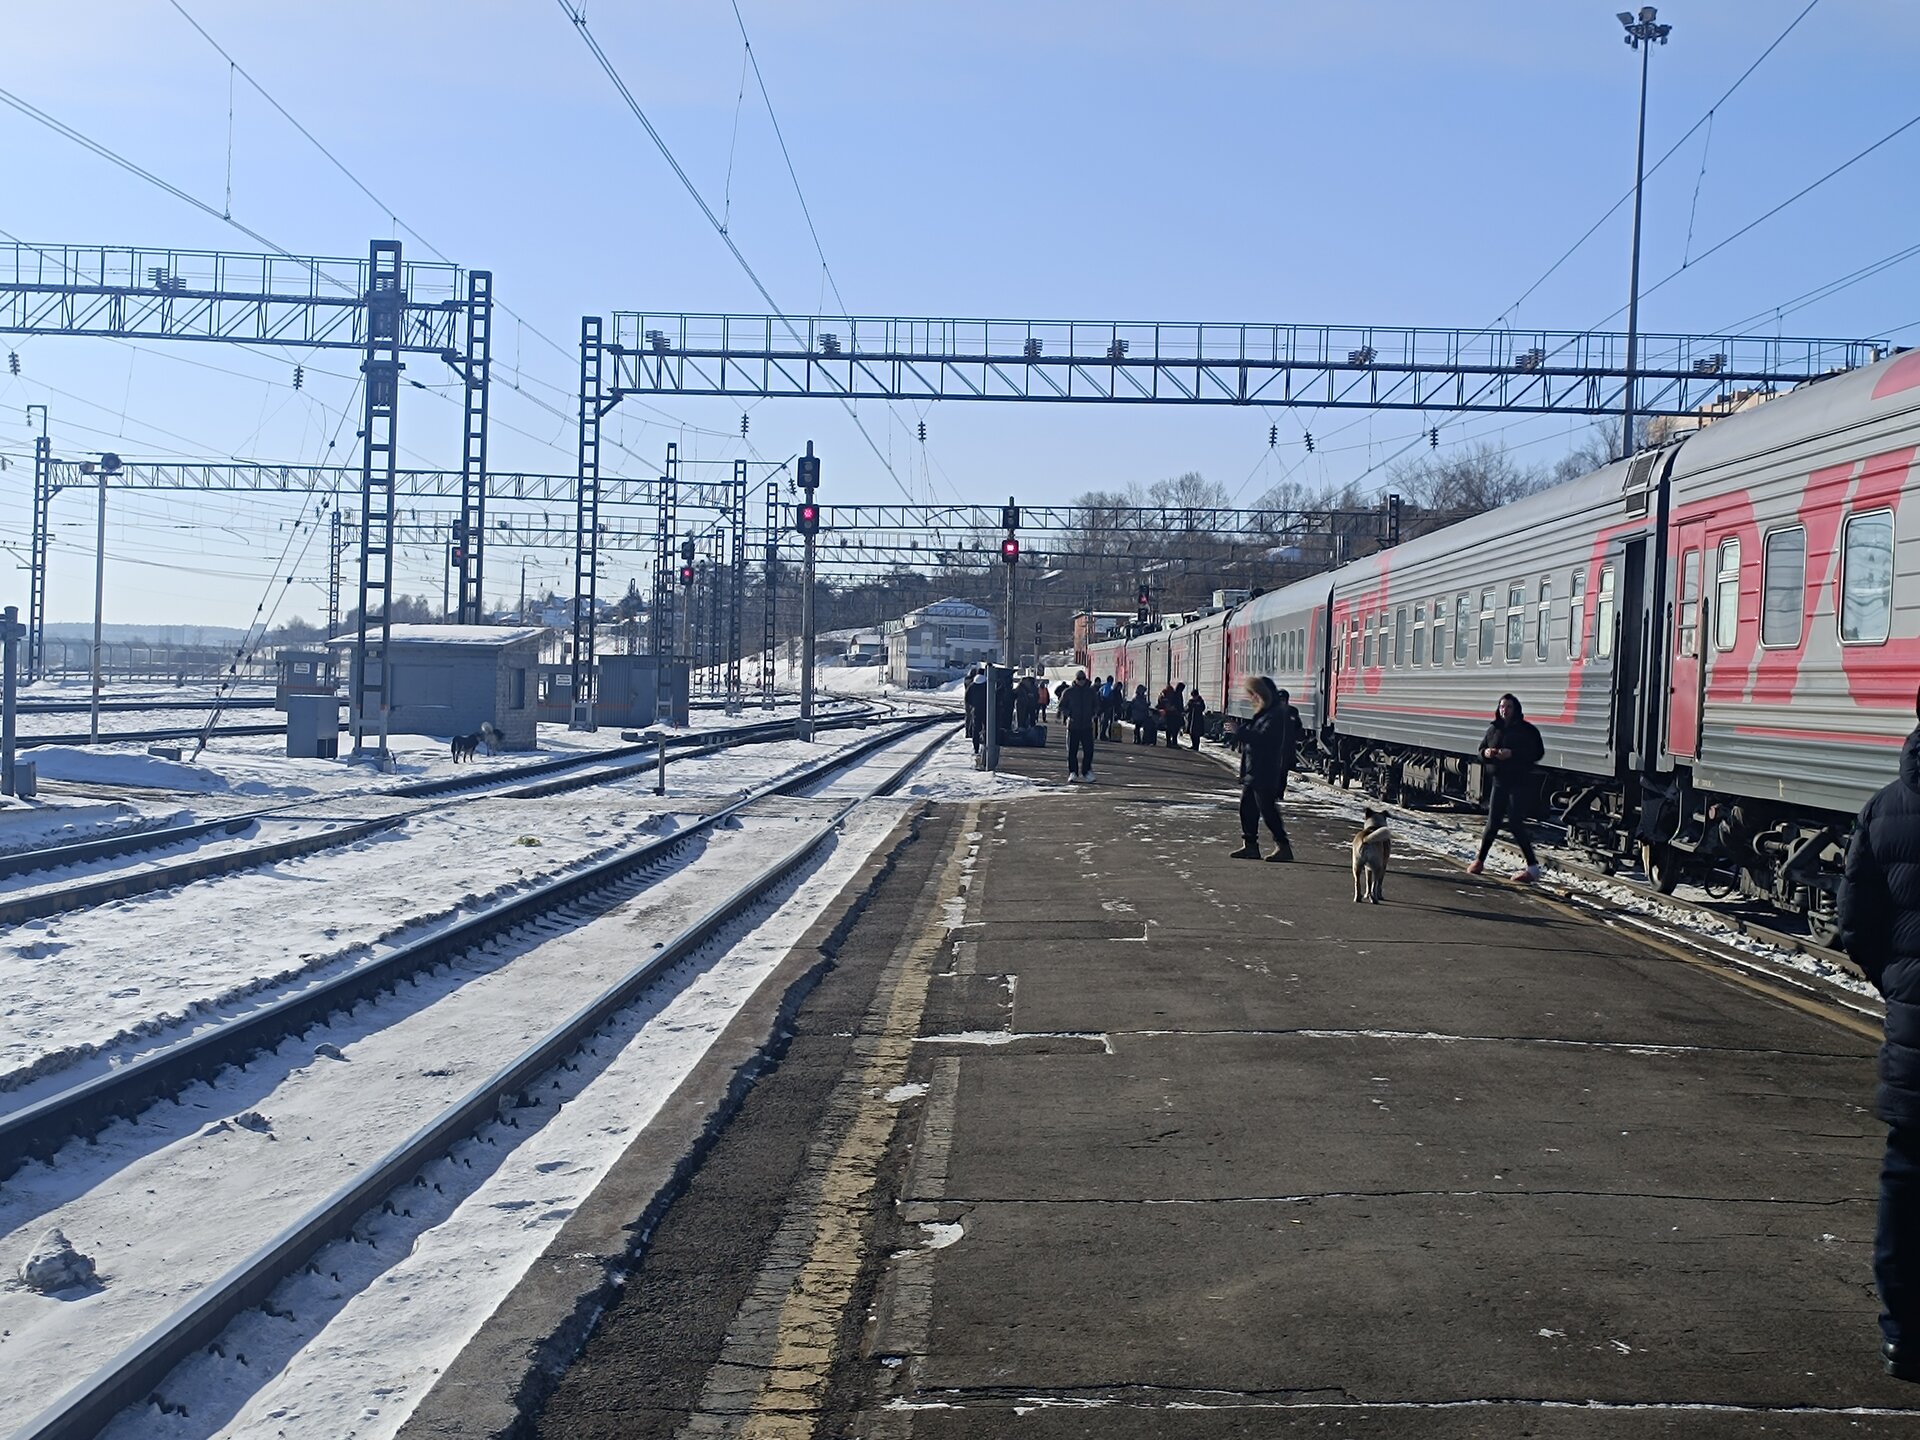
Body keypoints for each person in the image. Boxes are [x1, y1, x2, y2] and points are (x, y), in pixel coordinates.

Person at [1839, 688, 1920, 1382]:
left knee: (1907, 1178)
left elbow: (1854, 924)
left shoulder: (1884, 807)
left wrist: (1898, 988)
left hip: (1915, 1027)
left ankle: (1903, 1333)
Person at [1468, 692, 1544, 880]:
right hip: (1499, 781)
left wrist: (1513, 754)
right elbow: (1480, 751)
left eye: (1509, 707)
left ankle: (1533, 868)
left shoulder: (1527, 730)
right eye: (1502, 706)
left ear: (1516, 709)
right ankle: (1479, 861)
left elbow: (1537, 753)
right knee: (1492, 823)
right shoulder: (1494, 729)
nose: (1505, 710)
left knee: (1515, 823)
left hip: (1519, 781)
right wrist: (1486, 753)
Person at [1229, 675, 1294, 862]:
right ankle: (1250, 845)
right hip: (1255, 770)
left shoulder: (1275, 715)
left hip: (1265, 770)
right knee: (1247, 808)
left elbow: (1263, 739)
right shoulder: (1265, 714)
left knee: (1267, 810)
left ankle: (1283, 846)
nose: (1252, 698)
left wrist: (1240, 731)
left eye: (1254, 694)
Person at [1060, 670, 1098, 783]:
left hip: (1087, 725)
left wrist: (1094, 713)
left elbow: (1097, 705)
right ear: (1075, 679)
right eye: (1079, 679)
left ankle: (1086, 771)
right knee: (1072, 751)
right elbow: (1062, 706)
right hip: (1073, 726)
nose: (1081, 681)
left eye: (1083, 678)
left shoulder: (1091, 692)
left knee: (1089, 750)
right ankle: (1073, 772)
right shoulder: (1069, 692)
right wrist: (1069, 714)